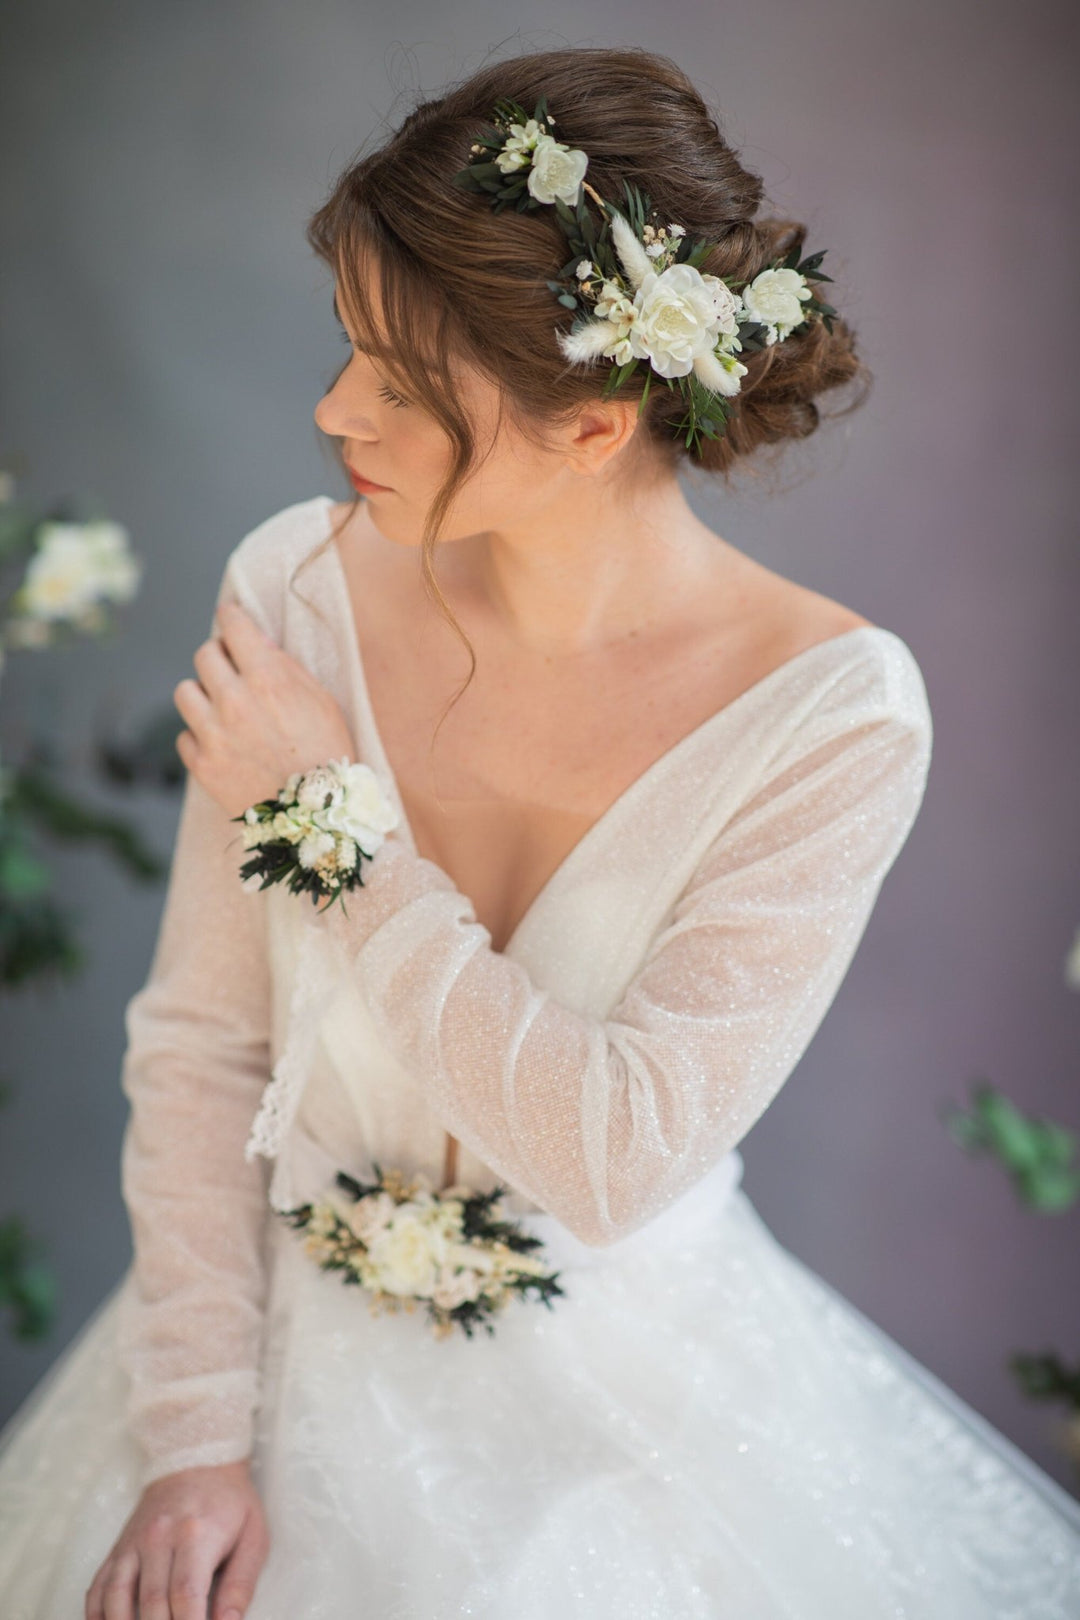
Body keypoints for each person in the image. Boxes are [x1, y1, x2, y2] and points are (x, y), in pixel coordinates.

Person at [1, 42, 1079, 1620]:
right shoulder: (294, 588)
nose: (329, 410)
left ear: (592, 424)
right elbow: (202, 1048)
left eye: (397, 381)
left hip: (628, 1423)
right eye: (344, 347)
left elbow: (613, 1156)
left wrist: (337, 832)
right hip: (253, 1368)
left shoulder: (837, 717)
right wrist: (190, 1442)